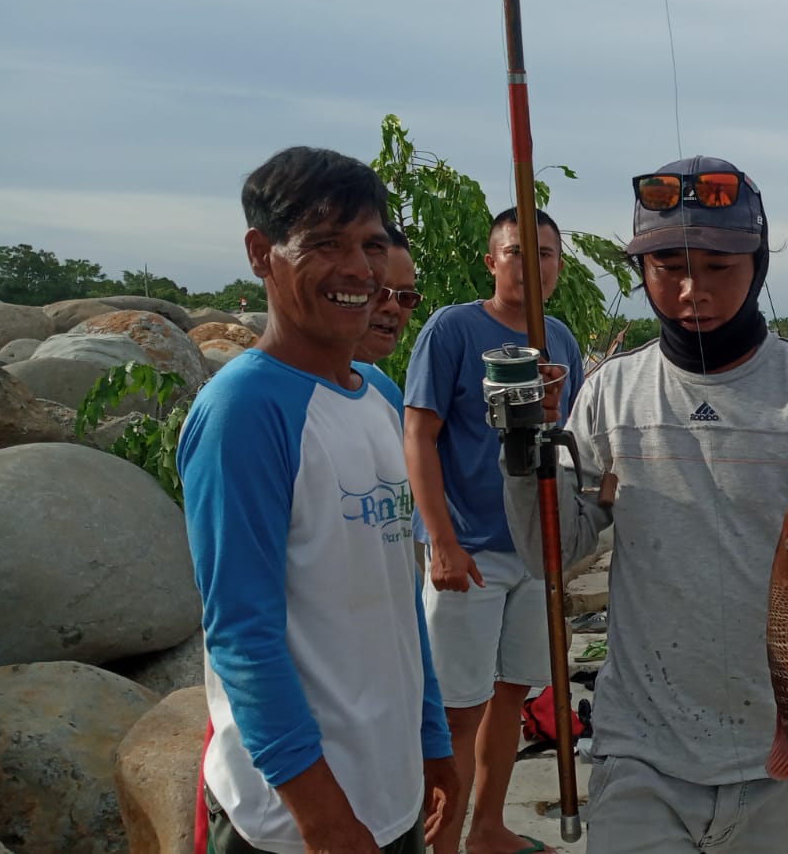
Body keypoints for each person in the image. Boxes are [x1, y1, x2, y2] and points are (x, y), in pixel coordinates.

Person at [503, 155, 788, 853]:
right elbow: (556, 552)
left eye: (720, 266)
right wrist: (520, 453)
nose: (693, 290)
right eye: (668, 267)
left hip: (786, 748)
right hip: (639, 750)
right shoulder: (610, 394)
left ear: (757, 265)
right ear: (644, 273)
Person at [177, 146, 456, 854]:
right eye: (324, 244)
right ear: (261, 253)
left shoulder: (382, 397)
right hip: (293, 820)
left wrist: (431, 737)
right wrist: (323, 817)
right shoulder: (244, 410)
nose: (358, 271)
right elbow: (243, 634)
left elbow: (398, 595)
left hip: (389, 794)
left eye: (369, 244)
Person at [402, 206, 583, 854]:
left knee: (512, 693)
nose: (532, 266)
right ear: (492, 260)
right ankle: (440, 841)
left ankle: (487, 827)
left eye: (545, 254)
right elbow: (418, 433)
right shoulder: (452, 329)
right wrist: (442, 543)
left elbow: (562, 443)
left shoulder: (560, 339)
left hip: (534, 552)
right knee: (458, 707)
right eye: (517, 252)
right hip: (470, 550)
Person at [353, 223, 421, 365]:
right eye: (378, 291)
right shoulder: (298, 384)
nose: (393, 307)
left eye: (406, 297)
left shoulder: (381, 386)